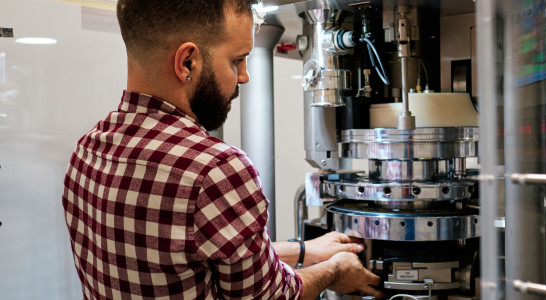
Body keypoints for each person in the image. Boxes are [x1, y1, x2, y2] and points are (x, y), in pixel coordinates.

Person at [62, 0, 385, 299]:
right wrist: (335, 270)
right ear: (187, 61)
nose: (244, 76)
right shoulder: (214, 170)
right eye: (237, 60)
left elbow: (189, 255)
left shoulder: (90, 149)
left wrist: (303, 251)